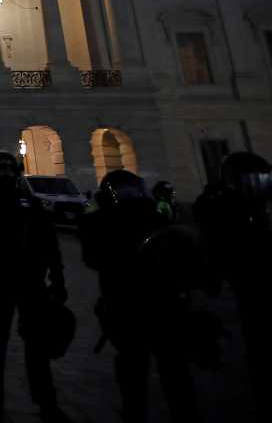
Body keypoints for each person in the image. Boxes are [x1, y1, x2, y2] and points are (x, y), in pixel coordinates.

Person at [80, 170, 203, 423]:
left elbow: (91, 257)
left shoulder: (103, 221)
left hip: (125, 307)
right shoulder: (154, 216)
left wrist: (93, 212)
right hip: (163, 306)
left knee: (133, 372)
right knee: (174, 370)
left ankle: (135, 414)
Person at [0, 152, 69, 423]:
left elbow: (49, 243)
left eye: (8, 170)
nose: (5, 175)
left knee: (33, 346)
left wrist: (57, 276)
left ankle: (44, 401)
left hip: (26, 282)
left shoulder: (27, 204)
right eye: (1, 170)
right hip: (0, 284)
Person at [193, 152, 272, 412]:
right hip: (246, 288)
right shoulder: (222, 207)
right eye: (249, 181)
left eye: (259, 180)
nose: (255, 186)